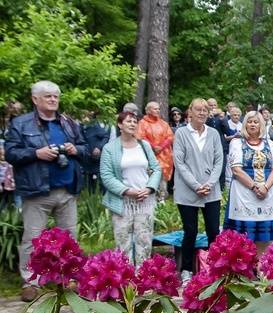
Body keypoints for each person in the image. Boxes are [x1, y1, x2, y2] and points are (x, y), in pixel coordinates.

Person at [5, 80, 90, 301]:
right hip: (37, 191)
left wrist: (75, 148)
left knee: (69, 239)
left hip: (67, 189)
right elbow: (11, 153)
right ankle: (29, 283)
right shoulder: (21, 124)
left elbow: (85, 149)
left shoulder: (68, 123)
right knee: (32, 238)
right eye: (48, 96)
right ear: (35, 99)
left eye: (55, 96)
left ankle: (69, 279)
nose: (53, 100)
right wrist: (36, 153)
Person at [172, 98, 224, 284]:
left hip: (211, 190)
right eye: (198, 110)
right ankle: (186, 270)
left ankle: (215, 268)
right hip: (188, 191)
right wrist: (196, 185)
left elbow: (219, 161)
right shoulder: (181, 133)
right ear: (190, 112)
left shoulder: (214, 134)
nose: (202, 113)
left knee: (212, 231)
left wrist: (209, 183)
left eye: (205, 110)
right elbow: (179, 162)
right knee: (190, 231)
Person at [100, 112, 162, 267]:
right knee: (123, 243)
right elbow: (106, 176)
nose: (133, 124)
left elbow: (156, 169)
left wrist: (149, 188)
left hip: (144, 200)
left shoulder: (144, 145)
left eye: (135, 121)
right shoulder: (109, 148)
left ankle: (144, 278)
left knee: (144, 241)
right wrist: (127, 191)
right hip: (122, 202)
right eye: (129, 121)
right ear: (120, 125)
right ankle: (125, 278)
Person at [224, 111, 273, 254]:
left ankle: (260, 266)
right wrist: (256, 187)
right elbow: (236, 170)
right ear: (245, 124)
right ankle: (244, 268)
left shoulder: (269, 143)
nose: (252, 124)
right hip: (244, 193)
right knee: (244, 235)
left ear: (261, 124)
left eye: (256, 122)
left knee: (264, 234)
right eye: (249, 121)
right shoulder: (237, 142)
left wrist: (266, 187)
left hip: (268, 192)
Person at [135, 101, 174, 203]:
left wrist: (161, 147)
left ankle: (162, 197)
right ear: (148, 110)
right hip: (148, 154)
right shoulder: (142, 123)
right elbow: (140, 136)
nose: (157, 110)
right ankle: (149, 196)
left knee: (162, 176)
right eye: (155, 108)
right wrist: (153, 146)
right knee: (150, 175)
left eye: (158, 109)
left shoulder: (163, 123)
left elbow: (170, 136)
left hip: (163, 154)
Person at [82, 111, 113, 193]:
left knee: (101, 181)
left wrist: (99, 147)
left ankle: (102, 200)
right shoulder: (78, 126)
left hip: (96, 158)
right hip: (85, 159)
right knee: (88, 183)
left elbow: (105, 136)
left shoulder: (93, 125)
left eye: (84, 116)